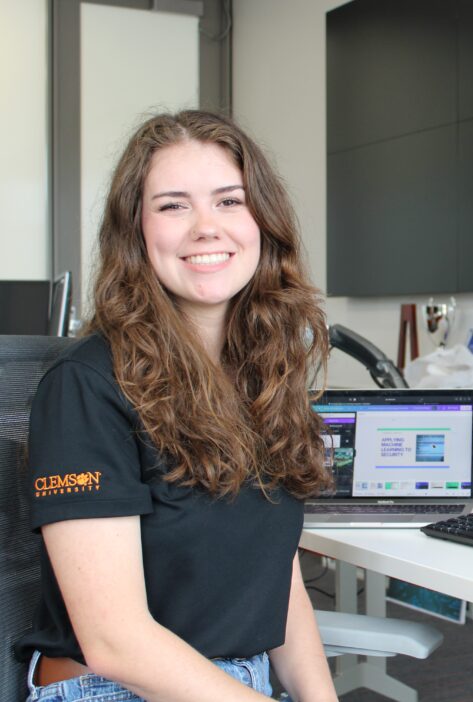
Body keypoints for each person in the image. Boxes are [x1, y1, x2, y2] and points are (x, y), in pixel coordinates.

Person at [16, 110, 339, 701]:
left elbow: (270, 572)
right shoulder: (86, 387)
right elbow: (115, 641)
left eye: (229, 201)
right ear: (135, 232)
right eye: (172, 206)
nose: (205, 228)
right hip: (113, 687)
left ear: (262, 222)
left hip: (236, 684)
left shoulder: (262, 375)